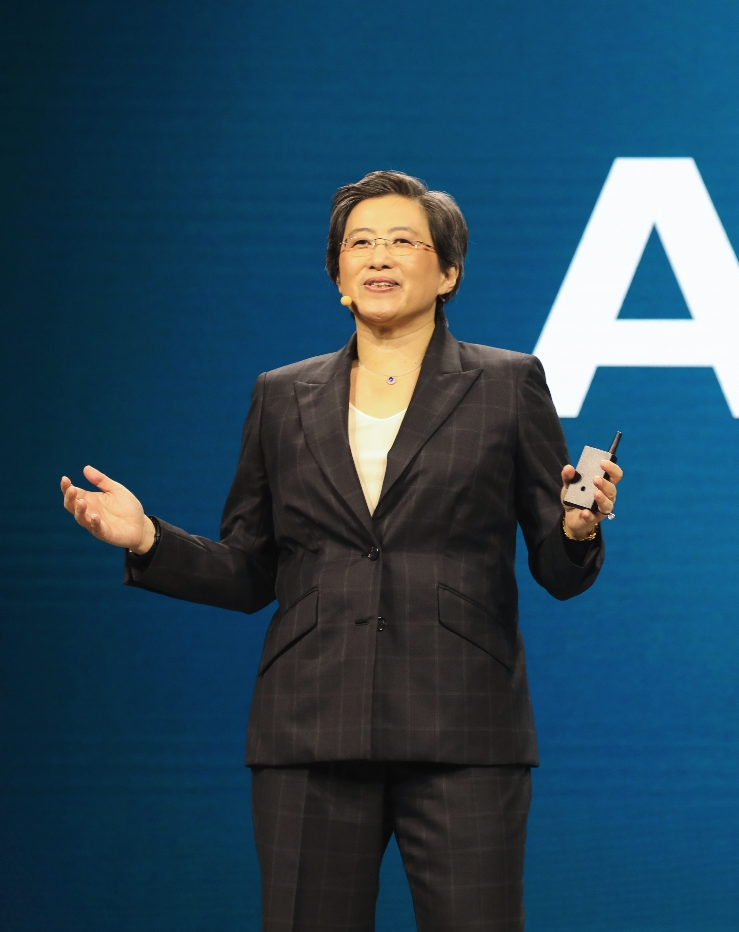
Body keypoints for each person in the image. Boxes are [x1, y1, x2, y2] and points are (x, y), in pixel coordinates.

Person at [59, 170, 622, 932]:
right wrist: (149, 538)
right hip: (309, 731)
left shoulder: (507, 383)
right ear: (337, 276)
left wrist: (577, 532)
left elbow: (555, 569)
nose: (378, 257)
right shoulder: (280, 394)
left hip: (462, 731)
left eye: (402, 241)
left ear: (448, 272)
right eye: (359, 243)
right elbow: (251, 570)